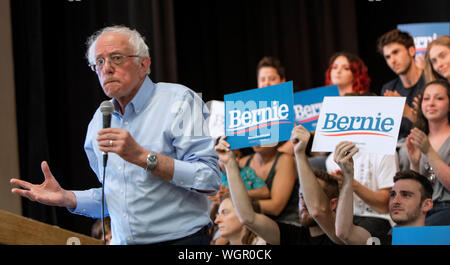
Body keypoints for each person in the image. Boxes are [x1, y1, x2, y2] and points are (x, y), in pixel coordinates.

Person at [10, 26, 220, 245]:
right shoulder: (97, 123)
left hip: (182, 242)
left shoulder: (182, 100)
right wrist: (68, 198)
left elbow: (210, 179)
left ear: (144, 64)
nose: (107, 68)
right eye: (99, 62)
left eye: (116, 58)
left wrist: (144, 157)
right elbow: (118, 197)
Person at [214, 125, 343, 245]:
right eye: (301, 197)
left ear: (332, 204)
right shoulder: (292, 235)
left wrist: (299, 153)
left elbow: (317, 211)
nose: (303, 203)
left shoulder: (343, 236)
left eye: (309, 197)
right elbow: (248, 218)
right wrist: (229, 163)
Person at [335, 142, 433, 245]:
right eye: (392, 194)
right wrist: (348, 177)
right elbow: (345, 233)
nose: (395, 200)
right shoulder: (382, 241)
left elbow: (416, 188)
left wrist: (415, 165)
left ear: (426, 204)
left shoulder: (442, 238)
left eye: (406, 195)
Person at [377, 29, 425, 171]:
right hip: (395, 144)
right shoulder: (388, 88)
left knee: (405, 152)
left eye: (396, 52)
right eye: (387, 57)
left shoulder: (429, 81)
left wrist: (407, 111)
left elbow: (433, 127)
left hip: (421, 142)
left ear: (411, 51)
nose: (392, 60)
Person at [406, 80, 450, 226]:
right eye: (426, 98)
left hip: (446, 208)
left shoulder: (425, 143)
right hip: (422, 209)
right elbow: (416, 190)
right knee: (393, 235)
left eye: (439, 98)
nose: (431, 103)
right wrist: (414, 163)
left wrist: (429, 152)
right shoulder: (420, 138)